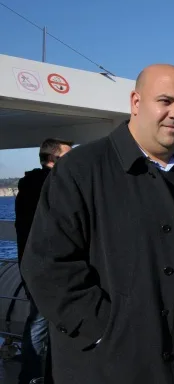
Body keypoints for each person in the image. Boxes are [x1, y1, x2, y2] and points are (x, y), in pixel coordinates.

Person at [20, 64, 174, 384]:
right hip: (107, 366)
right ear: (136, 103)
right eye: (165, 101)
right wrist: (103, 329)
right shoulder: (82, 168)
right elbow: (45, 265)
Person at [14, 137, 72, 384]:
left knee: (40, 322)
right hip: (48, 267)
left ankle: (34, 375)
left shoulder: (29, 186)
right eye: (68, 157)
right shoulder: (51, 186)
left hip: (31, 264)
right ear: (53, 160)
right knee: (42, 324)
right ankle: (36, 376)